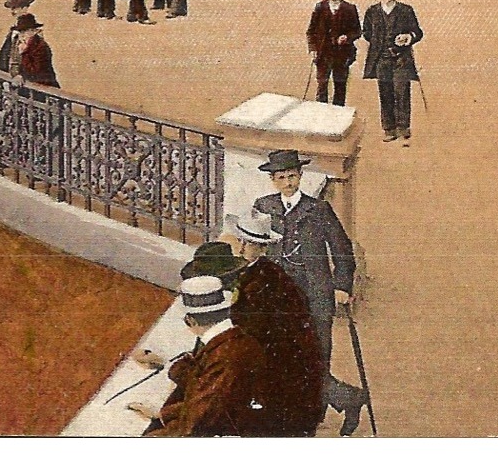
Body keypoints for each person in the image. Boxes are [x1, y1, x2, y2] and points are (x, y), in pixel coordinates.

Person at [252, 150, 366, 435]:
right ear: (273, 181)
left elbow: (342, 250)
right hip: (278, 297)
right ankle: (348, 398)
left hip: (316, 295)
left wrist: (341, 286)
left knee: (316, 356)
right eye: (281, 178)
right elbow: (252, 246)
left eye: (292, 176)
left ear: (301, 176)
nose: (288, 182)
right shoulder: (263, 207)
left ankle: (312, 415)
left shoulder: (318, 210)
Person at [184, 214, 327, 437]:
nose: (240, 248)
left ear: (262, 248)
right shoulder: (251, 273)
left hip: (278, 372)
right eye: (240, 240)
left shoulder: (264, 282)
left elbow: (248, 334)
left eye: (249, 243)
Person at [134, 276, 270, 437]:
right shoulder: (239, 340)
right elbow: (205, 393)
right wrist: (164, 413)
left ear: (190, 320)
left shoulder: (223, 356)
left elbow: (196, 424)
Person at [362, 0, 422, 144]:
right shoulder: (372, 12)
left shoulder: (406, 10)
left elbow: (418, 32)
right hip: (382, 60)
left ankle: (404, 128)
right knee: (385, 93)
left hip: (402, 59)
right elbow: (366, 32)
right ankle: (389, 129)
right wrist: (378, 42)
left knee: (402, 92)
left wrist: (408, 37)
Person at [306, 0, 361, 106]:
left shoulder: (349, 8)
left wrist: (347, 37)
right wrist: (313, 49)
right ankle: (321, 115)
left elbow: (357, 31)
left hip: (342, 54)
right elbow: (311, 31)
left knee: (340, 85)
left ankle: (338, 116)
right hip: (323, 53)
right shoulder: (320, 7)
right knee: (322, 85)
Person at [11, 14, 58, 88]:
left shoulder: (40, 47)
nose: (22, 35)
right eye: (20, 32)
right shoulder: (27, 45)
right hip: (33, 87)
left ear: (33, 31)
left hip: (45, 88)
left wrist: (24, 53)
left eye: (25, 31)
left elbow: (36, 71)